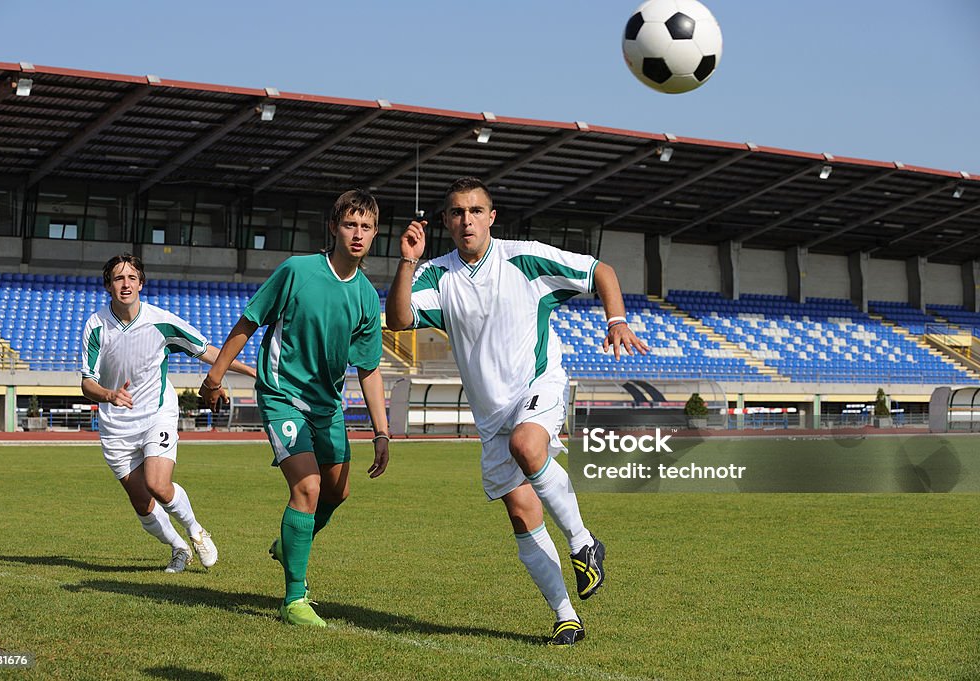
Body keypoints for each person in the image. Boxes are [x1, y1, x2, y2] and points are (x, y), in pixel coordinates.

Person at [386, 177, 648, 646]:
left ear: (492, 216)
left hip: (538, 385)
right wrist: (407, 261)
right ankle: (566, 615)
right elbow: (400, 319)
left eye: (475, 210)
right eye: (458, 212)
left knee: (527, 446)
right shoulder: (436, 275)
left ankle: (583, 541)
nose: (467, 219)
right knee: (522, 513)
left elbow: (601, 271)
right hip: (490, 416)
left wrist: (617, 320)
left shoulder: (524, 258)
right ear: (446, 221)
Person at [199, 189, 391, 628]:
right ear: (333, 227)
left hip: (327, 406)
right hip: (282, 395)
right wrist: (215, 378)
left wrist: (381, 433)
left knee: (337, 491)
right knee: (306, 488)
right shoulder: (297, 271)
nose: (357, 234)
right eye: (350, 224)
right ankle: (294, 598)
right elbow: (249, 321)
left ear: (375, 233)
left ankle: (289, 542)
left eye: (366, 227)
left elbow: (368, 369)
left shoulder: (365, 295)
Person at [81, 253, 256, 573]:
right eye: (118, 278)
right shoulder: (96, 325)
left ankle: (196, 531)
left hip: (156, 413)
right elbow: (86, 383)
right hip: (115, 424)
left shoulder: (161, 320)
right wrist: (109, 395)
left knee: (158, 484)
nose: (126, 284)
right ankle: (178, 549)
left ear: (141, 284)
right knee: (141, 502)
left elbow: (209, 352)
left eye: (132, 278)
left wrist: (252, 372)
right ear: (108, 285)